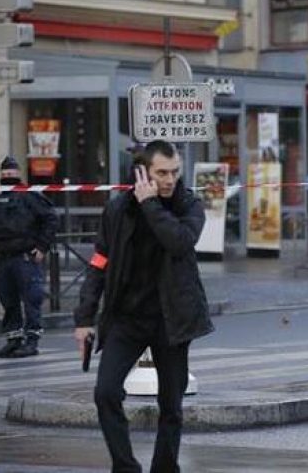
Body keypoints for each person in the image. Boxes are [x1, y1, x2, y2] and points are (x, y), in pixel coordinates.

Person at [73, 140, 214, 473]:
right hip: (127, 318)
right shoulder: (118, 210)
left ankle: (164, 468)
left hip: (171, 319)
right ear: (142, 173)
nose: (169, 179)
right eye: (161, 173)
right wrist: (84, 317)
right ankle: (125, 467)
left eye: (175, 172)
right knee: (105, 392)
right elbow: (99, 262)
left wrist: (151, 204)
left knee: (171, 405)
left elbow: (179, 241)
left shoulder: (189, 205)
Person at [0, 156, 59, 358]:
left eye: (11, 173)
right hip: (2, 259)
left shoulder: (30, 197)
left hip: (25, 257)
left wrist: (42, 247)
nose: (8, 176)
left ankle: (32, 340)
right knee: (8, 302)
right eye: (5, 173)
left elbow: (51, 219)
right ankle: (14, 339)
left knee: (31, 301)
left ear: (19, 174)